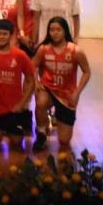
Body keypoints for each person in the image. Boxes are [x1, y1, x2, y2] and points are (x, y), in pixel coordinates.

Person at [33, 16, 92, 150]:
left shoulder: (76, 51)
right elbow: (32, 65)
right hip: (48, 88)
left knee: (64, 140)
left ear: (65, 31)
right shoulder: (43, 49)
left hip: (67, 93)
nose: (55, 33)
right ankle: (41, 131)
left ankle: (54, 119)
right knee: (40, 101)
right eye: (52, 30)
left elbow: (87, 72)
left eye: (58, 29)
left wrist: (77, 92)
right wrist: (36, 82)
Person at [0, 20, 36, 148]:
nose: (1, 37)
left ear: (11, 35)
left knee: (17, 141)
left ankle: (9, 128)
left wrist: (22, 104)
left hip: (14, 108)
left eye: (4, 34)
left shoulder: (20, 55)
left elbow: (31, 80)